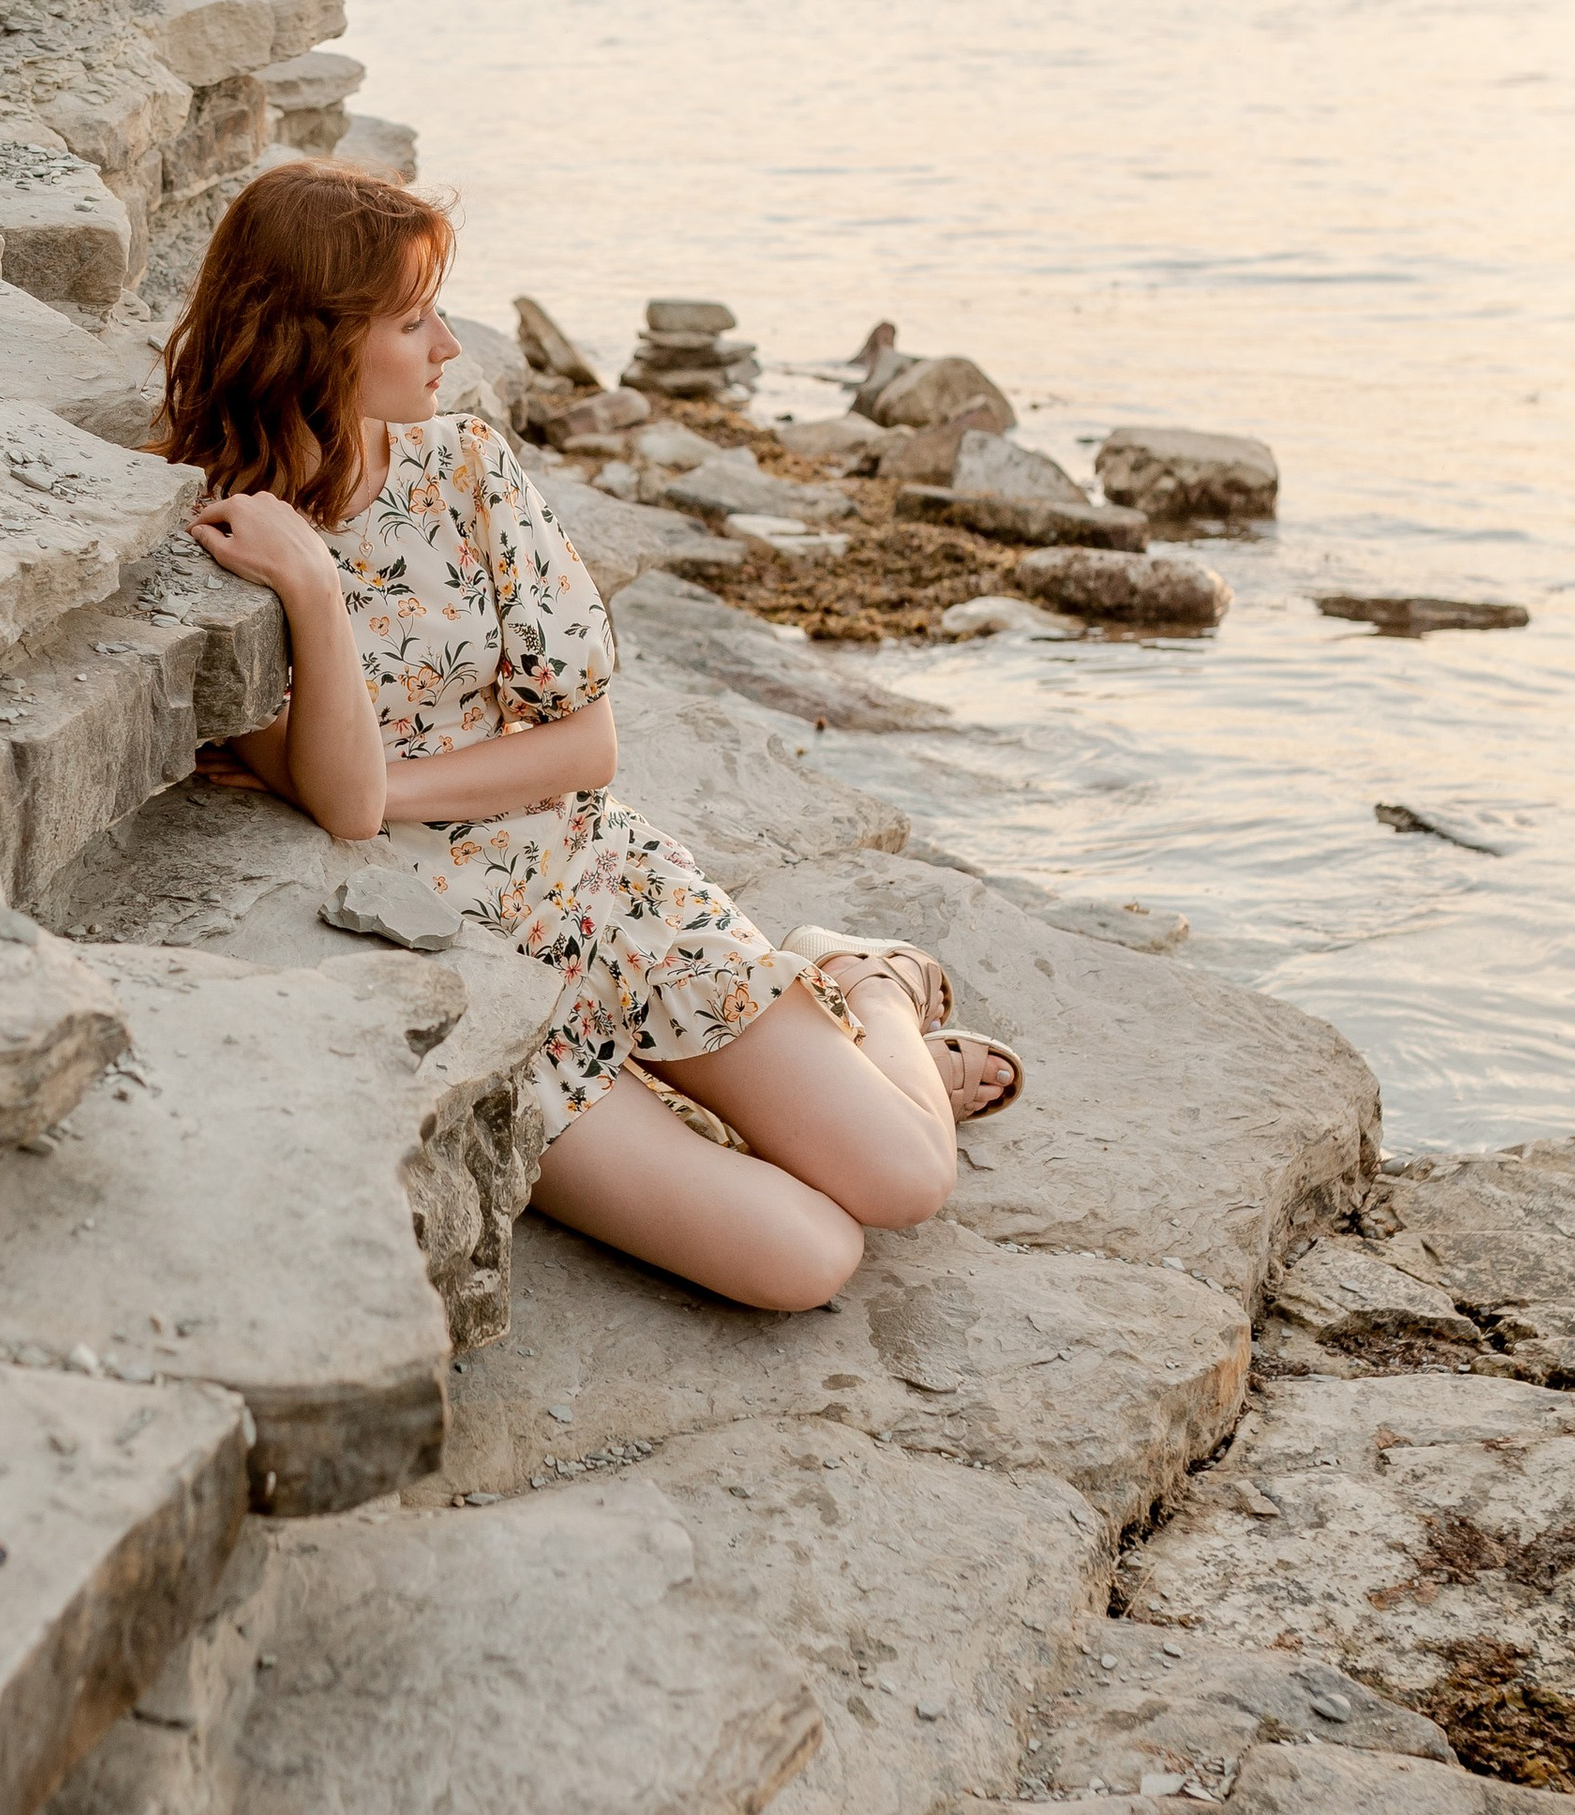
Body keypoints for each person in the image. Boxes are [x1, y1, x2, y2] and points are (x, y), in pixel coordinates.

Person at [161, 159, 1024, 1313]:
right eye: (414, 321)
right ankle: (735, 1077)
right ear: (314, 337)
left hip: (594, 883)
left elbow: (582, 751)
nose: (449, 348)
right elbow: (348, 811)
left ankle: (864, 983)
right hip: (463, 966)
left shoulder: (467, 467)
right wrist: (316, 591)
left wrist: (398, 777)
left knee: (905, 1181)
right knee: (805, 1259)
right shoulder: (229, 538)